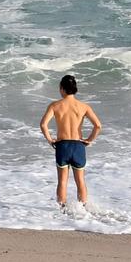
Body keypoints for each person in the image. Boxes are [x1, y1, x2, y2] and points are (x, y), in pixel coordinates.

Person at [40, 73, 102, 210]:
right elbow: (98, 126)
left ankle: (61, 210)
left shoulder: (55, 105)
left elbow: (43, 124)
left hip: (62, 146)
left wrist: (50, 140)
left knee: (62, 181)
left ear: (62, 88)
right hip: (78, 146)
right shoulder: (84, 106)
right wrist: (89, 140)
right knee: (80, 180)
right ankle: (83, 209)